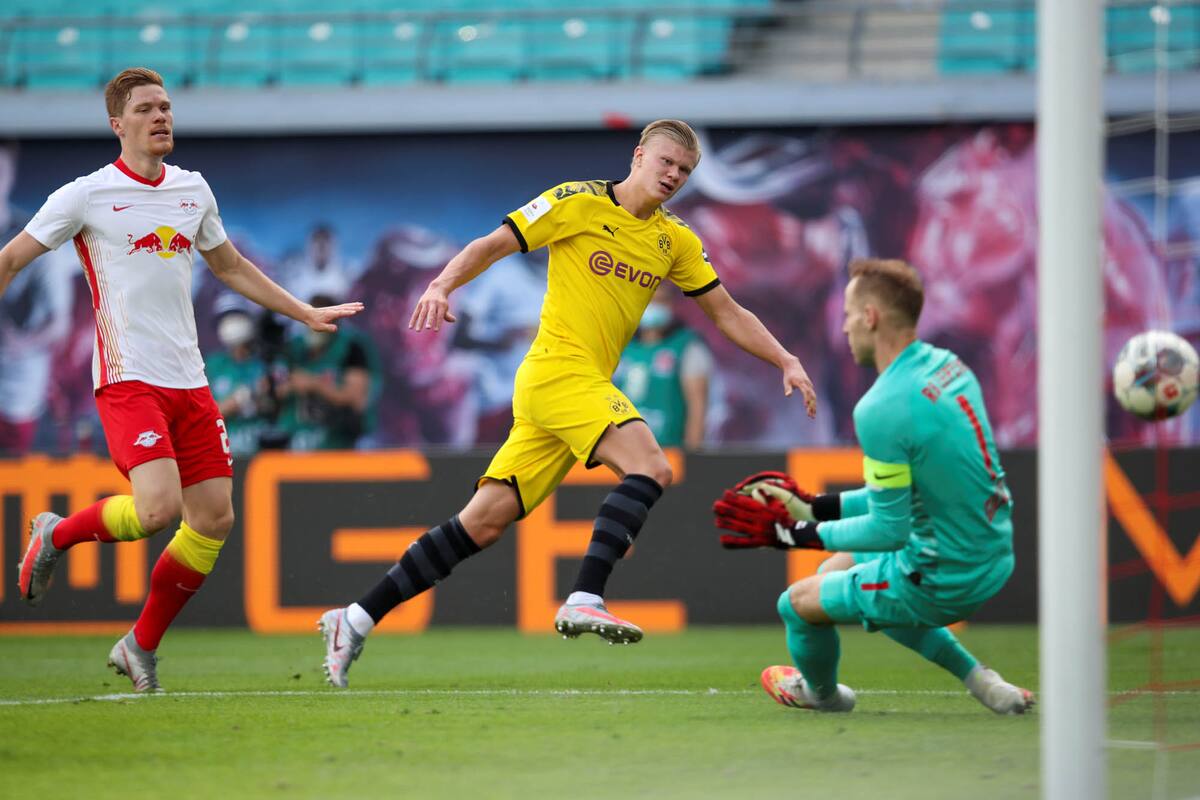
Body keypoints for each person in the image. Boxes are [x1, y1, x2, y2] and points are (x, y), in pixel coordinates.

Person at [318, 119, 818, 688]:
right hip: (558, 369)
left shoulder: (674, 240)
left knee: (482, 523)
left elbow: (726, 310)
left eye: (684, 171)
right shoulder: (575, 201)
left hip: (568, 390)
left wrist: (784, 359)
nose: (674, 177)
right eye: (666, 164)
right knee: (651, 465)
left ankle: (353, 618)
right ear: (638, 156)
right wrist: (441, 285)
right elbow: (494, 244)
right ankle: (584, 595)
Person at [2, 67, 363, 692]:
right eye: (146, 109)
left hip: (189, 382)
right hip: (127, 379)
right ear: (119, 124)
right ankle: (55, 533)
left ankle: (139, 645)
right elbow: (10, 259)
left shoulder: (193, 190)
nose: (161, 116)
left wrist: (301, 310)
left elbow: (230, 266)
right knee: (158, 509)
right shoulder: (84, 195)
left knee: (214, 518)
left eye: (166, 106)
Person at [713, 258, 1033, 715]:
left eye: (847, 313)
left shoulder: (881, 407)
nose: (843, 327)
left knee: (797, 604)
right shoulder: (948, 367)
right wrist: (812, 508)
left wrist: (793, 535)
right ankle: (983, 681)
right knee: (834, 576)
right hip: (993, 549)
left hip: (945, 577)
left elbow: (889, 530)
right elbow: (909, 496)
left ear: (870, 317)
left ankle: (821, 695)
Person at [0, 140, 75, 455]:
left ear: (10, 173)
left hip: (17, 395)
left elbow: (59, 323)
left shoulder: (37, 238)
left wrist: (19, 343)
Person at [277, 292, 379, 451]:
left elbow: (357, 399)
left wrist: (315, 385)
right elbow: (274, 389)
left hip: (338, 441)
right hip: (295, 441)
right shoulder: (292, 349)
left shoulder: (350, 348)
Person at [616, 287, 712, 449]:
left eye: (661, 301)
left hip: (670, 451)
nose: (654, 306)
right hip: (626, 452)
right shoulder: (621, 346)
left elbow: (697, 407)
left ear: (672, 305)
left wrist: (692, 457)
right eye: (649, 301)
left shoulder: (687, 346)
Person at [204, 296, 273, 458]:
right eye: (226, 319)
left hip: (261, 448)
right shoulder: (213, 364)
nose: (231, 324)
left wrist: (265, 397)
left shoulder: (263, 361)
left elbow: (274, 403)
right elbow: (205, 415)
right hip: (226, 449)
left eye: (236, 317)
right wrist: (240, 399)